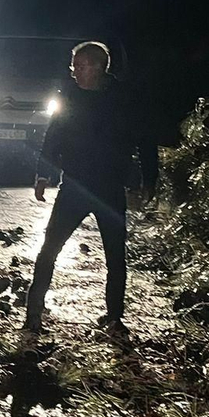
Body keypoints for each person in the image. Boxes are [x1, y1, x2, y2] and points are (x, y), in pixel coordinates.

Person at [25, 41, 144, 338]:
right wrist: (44, 174)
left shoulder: (124, 99)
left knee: (116, 256)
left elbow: (143, 138)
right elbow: (54, 135)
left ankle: (114, 317)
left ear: (96, 67)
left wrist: (146, 179)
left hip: (110, 189)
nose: (74, 71)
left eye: (79, 66)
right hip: (75, 186)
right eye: (74, 66)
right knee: (49, 249)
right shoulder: (71, 96)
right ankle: (33, 314)